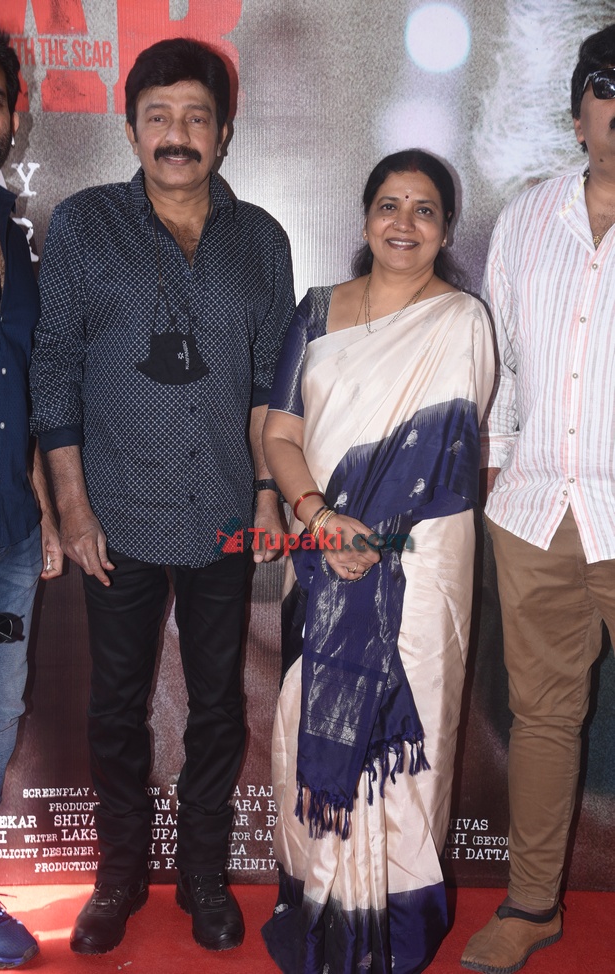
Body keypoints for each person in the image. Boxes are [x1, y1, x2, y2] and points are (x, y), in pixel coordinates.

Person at [29, 36, 294, 957]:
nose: (177, 135)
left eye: (196, 118)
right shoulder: (85, 225)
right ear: (131, 126)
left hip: (224, 512)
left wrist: (268, 494)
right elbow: (54, 372)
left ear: (224, 131)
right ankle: (118, 878)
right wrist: (73, 506)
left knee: (218, 707)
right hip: (116, 516)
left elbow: (272, 382)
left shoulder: (262, 240)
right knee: (115, 707)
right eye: (159, 117)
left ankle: (205, 878)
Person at [260, 149, 495, 974]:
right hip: (322, 558)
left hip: (423, 570)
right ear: (365, 219)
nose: (404, 222)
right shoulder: (316, 311)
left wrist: (381, 537)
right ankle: (321, 914)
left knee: (414, 749)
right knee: (308, 727)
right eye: (389, 205)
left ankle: (396, 935)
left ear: (446, 230)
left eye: (424, 209)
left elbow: (449, 457)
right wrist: (323, 520)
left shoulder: (463, 321)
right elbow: (280, 434)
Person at [461, 24, 615, 974]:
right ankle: (530, 905)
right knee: (545, 717)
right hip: (536, 514)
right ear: (579, 109)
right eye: (608, 86)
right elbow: (505, 370)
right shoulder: (526, 219)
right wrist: (499, 480)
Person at [0, 14, 62, 973]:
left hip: (10, 532)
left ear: (13, 116)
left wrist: (41, 507)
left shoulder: (10, 232)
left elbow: (17, 387)